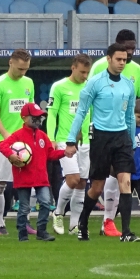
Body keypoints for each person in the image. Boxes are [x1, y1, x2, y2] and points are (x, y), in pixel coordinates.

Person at [65, 43, 138, 241]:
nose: (122, 63)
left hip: (121, 137)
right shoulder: (95, 83)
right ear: (109, 58)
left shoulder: (129, 84)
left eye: (125, 60)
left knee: (125, 181)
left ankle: (126, 232)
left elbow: (130, 116)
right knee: (97, 187)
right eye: (119, 59)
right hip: (100, 137)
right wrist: (71, 140)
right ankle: (83, 221)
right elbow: (81, 112)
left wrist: (131, 142)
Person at [0, 50, 34, 235]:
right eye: (20, 68)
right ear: (10, 62)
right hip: (3, 142)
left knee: (27, 184)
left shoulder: (29, 82)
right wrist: (6, 135)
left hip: (24, 143)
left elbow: (30, 111)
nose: (23, 73)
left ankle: (25, 222)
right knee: (0, 184)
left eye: (26, 69)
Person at [0, 103, 63, 241]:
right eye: (35, 117)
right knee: (24, 208)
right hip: (23, 177)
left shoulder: (43, 136)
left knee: (45, 203)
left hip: (41, 177)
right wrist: (11, 155)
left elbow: (50, 154)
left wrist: (64, 153)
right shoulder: (17, 135)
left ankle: (42, 231)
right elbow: (2, 145)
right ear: (24, 118)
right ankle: (22, 233)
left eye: (40, 117)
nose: (38, 120)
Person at [46, 55, 92, 235]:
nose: (85, 76)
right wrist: (51, 138)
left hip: (86, 141)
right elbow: (52, 114)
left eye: (87, 72)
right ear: (73, 68)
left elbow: (92, 113)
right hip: (65, 139)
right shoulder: (59, 87)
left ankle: (74, 224)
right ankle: (58, 212)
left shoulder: (90, 87)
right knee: (72, 179)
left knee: (81, 182)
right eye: (82, 72)